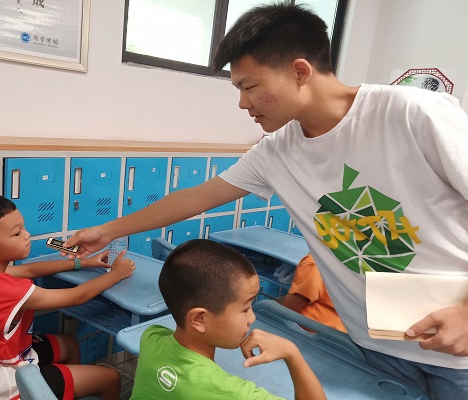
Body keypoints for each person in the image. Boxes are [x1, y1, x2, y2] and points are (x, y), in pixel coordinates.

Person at [63, 4, 468, 399]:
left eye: (250, 86)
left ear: (300, 71)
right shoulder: (277, 151)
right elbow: (197, 197)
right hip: (374, 344)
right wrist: (108, 229)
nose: (243, 103)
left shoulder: (414, 115)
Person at [0, 192, 136, 400]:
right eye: (16, 234)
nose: (27, 235)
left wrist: (84, 262)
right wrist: (117, 274)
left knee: (69, 344)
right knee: (111, 378)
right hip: (0, 384)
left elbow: (28, 270)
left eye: (24, 228)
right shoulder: (7, 291)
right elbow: (77, 296)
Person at [130, 239, 326, 400]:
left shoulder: (152, 336)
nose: (252, 318)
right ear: (199, 319)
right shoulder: (231, 392)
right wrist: (291, 352)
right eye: (245, 308)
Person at [281, 254, 346, 332]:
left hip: (308, 333)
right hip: (339, 333)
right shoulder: (349, 264)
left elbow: (289, 308)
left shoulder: (316, 261)